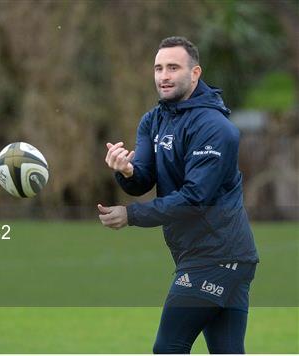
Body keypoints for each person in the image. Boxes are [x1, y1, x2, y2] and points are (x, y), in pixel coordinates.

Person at [98, 36, 259, 353]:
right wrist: (126, 171)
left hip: (215, 257)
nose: (164, 75)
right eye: (158, 68)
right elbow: (142, 178)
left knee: (168, 347)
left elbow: (194, 199)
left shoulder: (215, 128)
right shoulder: (153, 120)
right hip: (222, 258)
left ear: (195, 73)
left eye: (173, 67)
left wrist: (131, 215)